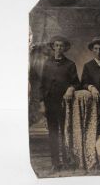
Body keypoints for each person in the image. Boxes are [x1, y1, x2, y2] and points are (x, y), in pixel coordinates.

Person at [39, 36, 80, 171]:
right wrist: (42, 103)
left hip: (64, 104)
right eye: (56, 45)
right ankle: (55, 163)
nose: (58, 48)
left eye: (61, 46)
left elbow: (76, 82)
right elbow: (42, 85)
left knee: (65, 132)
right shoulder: (47, 64)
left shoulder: (70, 64)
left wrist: (71, 88)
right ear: (53, 47)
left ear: (65, 48)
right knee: (53, 133)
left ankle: (67, 161)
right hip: (50, 103)